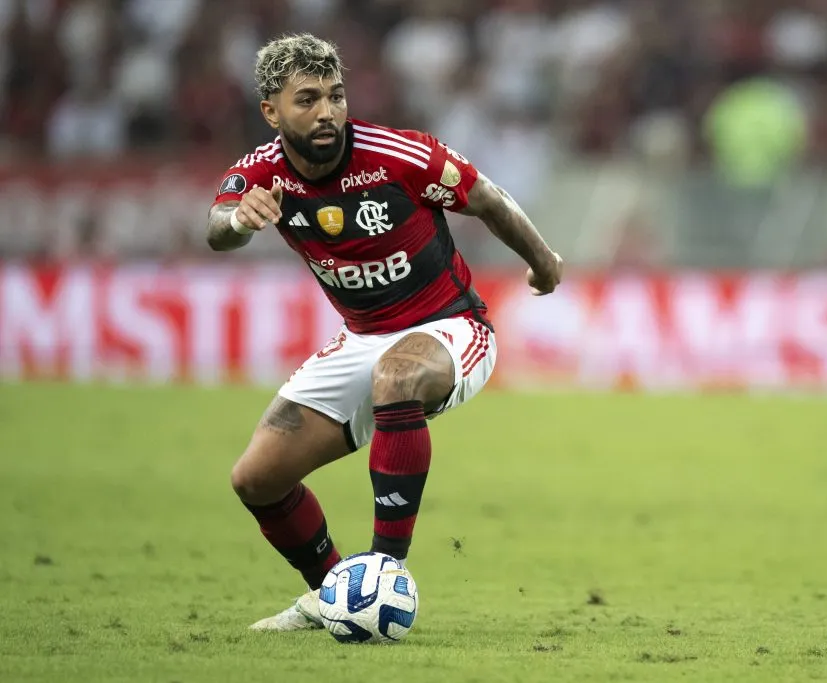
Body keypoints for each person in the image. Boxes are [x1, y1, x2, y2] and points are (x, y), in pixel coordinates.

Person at [206, 33, 563, 631]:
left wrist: (544, 261)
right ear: (271, 111)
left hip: (450, 327)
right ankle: (333, 595)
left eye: (336, 96)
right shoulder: (259, 174)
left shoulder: (398, 155)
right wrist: (238, 221)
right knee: (256, 479)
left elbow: (486, 197)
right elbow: (218, 226)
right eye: (308, 99)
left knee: (396, 375)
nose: (327, 113)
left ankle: (383, 573)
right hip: (361, 339)